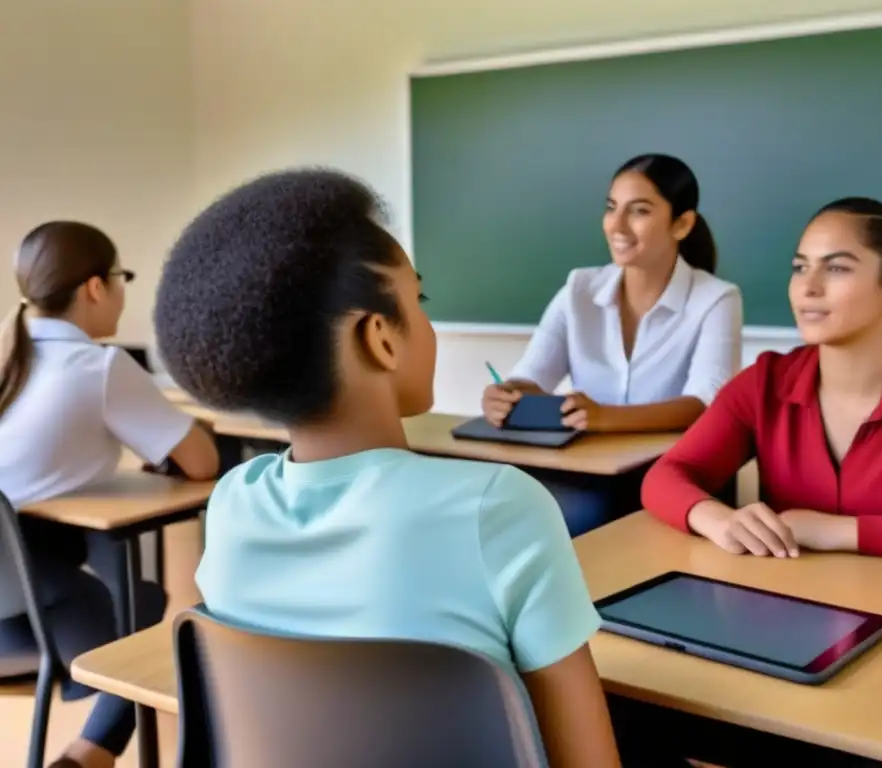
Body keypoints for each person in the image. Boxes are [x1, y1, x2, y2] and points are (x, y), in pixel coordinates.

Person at [153, 168, 622, 767]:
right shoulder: (496, 507)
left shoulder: (232, 504)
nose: (426, 322)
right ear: (380, 337)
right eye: (417, 300)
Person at [642, 197, 882, 572]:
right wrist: (719, 520)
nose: (808, 287)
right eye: (799, 267)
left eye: (837, 269)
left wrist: (832, 531)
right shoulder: (764, 382)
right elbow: (665, 477)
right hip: (795, 610)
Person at [0, 221, 219, 768]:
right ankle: (91, 753)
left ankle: (89, 752)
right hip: (29, 601)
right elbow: (203, 463)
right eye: (121, 278)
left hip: (9, 602)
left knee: (108, 583)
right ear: (95, 287)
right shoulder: (99, 365)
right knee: (148, 606)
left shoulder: (8, 359)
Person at [481, 153, 743, 535]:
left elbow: (706, 403)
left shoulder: (717, 298)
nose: (616, 225)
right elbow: (532, 376)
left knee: (575, 519)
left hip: (668, 475)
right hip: (586, 467)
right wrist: (508, 395)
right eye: (611, 208)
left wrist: (606, 417)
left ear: (682, 223)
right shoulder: (579, 288)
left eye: (639, 211)